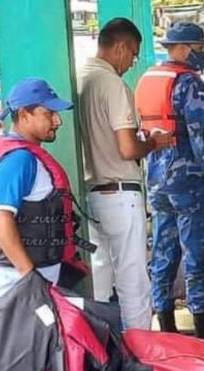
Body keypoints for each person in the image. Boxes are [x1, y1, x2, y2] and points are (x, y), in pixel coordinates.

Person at [135, 22, 204, 339]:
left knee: (163, 253)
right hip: (189, 180)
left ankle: (166, 327)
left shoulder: (149, 79)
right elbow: (202, 140)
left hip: (156, 178)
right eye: (200, 49)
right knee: (198, 255)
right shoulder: (189, 84)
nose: (203, 55)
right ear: (185, 48)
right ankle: (203, 333)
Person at [79, 18, 173, 330]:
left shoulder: (79, 78)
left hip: (91, 195)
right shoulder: (112, 84)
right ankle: (141, 356)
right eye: (132, 54)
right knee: (134, 282)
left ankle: (103, 355)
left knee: (101, 281)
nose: (132, 63)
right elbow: (127, 149)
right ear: (120, 47)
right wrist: (153, 142)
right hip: (120, 193)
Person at [0, 78, 86, 298]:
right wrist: (29, 277)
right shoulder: (20, 160)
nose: (58, 121)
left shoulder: (25, 156)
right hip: (19, 283)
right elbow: (2, 219)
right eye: (48, 113)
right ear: (23, 115)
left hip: (42, 276)